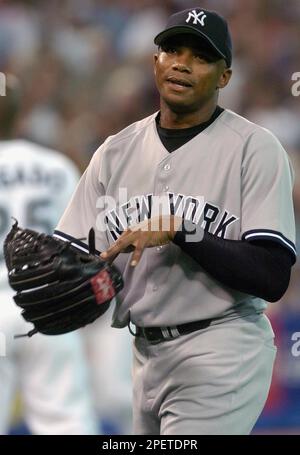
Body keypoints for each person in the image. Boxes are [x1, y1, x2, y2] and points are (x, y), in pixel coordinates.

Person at [54, 7, 296, 435]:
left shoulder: (255, 149)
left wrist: (184, 230)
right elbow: (73, 254)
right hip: (143, 352)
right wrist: (55, 279)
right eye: (172, 49)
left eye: (201, 56)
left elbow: (272, 275)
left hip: (221, 348)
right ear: (155, 62)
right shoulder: (114, 152)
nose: (182, 62)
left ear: (224, 76)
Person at [0, 75, 99, 435]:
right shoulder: (55, 166)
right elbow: (81, 245)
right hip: (49, 309)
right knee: (66, 423)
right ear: (19, 114)